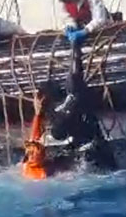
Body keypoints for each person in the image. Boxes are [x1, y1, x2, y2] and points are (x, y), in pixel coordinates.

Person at [21, 40, 117, 180]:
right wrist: (75, 48)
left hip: (92, 156)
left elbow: (49, 138)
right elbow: (75, 75)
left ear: (43, 100)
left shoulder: (57, 115)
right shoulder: (71, 98)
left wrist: (38, 114)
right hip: (97, 147)